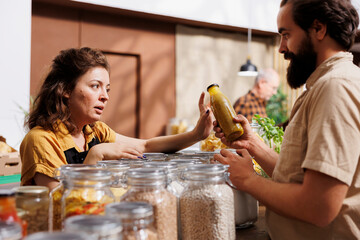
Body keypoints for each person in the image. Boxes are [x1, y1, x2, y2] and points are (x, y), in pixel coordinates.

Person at [214, 0, 360, 239]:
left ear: (318, 29)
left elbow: (319, 206)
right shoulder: (328, 83)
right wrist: (253, 144)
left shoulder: (335, 87)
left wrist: (248, 180)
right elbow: (297, 177)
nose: (281, 48)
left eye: (286, 35)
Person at [20, 47, 212, 190]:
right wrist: (95, 156)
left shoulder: (95, 131)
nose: (105, 96)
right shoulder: (41, 140)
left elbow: (146, 147)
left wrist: (197, 134)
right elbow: (63, 205)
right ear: (66, 90)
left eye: (107, 89)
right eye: (95, 86)